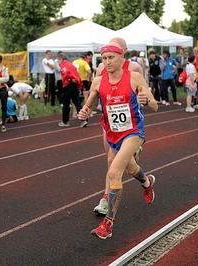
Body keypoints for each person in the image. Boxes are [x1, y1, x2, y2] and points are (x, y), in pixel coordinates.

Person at [78, 42, 158, 239]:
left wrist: (146, 101)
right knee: (131, 169)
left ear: (122, 58)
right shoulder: (98, 81)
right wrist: (84, 112)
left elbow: (155, 106)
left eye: (111, 58)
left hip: (133, 132)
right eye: (104, 59)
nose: (107, 62)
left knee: (114, 171)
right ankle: (147, 183)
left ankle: (108, 224)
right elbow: (88, 105)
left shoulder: (134, 77)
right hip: (113, 133)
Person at [93, 37, 144, 215]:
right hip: (109, 122)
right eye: (106, 54)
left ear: (123, 52)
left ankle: (106, 198)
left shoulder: (135, 69)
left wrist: (142, 99)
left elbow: (143, 92)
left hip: (130, 122)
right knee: (109, 158)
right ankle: (134, 158)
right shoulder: (101, 69)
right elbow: (95, 90)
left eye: (115, 51)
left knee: (111, 160)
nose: (108, 58)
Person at [57, 53, 88, 128]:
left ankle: (65, 121)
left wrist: (70, 78)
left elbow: (66, 73)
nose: (58, 62)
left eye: (58, 60)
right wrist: (79, 85)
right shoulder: (71, 65)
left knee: (66, 104)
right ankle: (84, 120)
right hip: (75, 85)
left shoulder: (63, 65)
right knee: (77, 103)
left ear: (61, 59)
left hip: (68, 85)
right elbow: (77, 75)